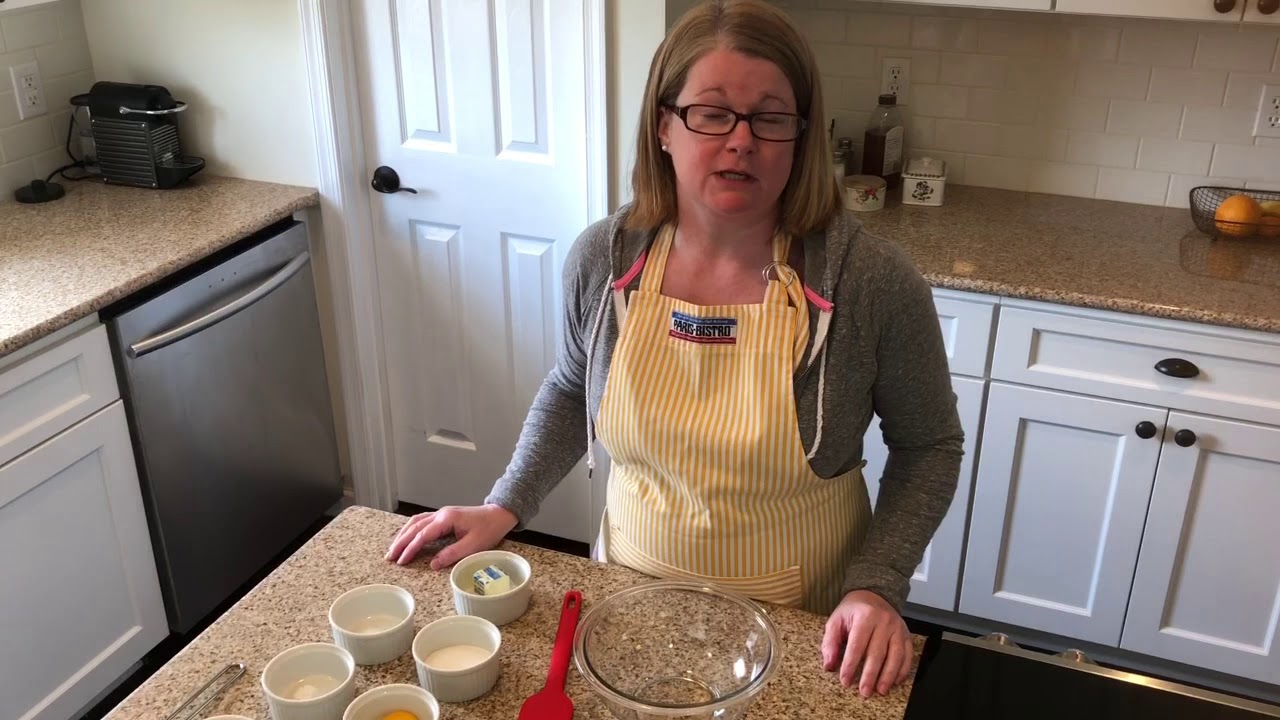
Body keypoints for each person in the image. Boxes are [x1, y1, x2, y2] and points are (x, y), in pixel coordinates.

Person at [386, 0, 963, 698]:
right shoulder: (604, 260)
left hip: (805, 621)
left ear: (801, 136)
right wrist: (505, 504)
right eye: (712, 113)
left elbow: (930, 445)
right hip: (629, 601)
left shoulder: (871, 282)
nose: (742, 140)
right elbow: (572, 388)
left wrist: (878, 585)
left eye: (771, 118)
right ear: (664, 126)